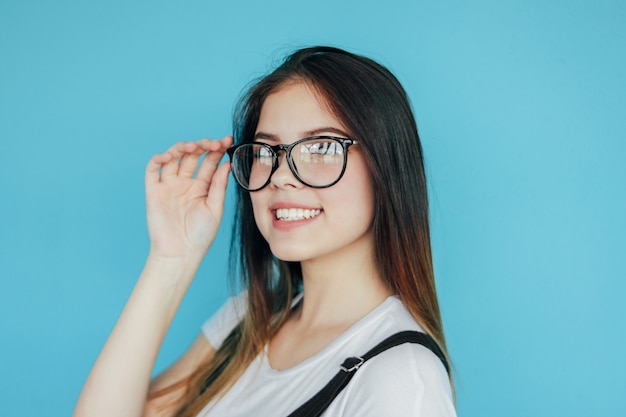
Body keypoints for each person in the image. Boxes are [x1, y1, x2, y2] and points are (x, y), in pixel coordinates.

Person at [73, 46, 456, 417]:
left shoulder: (401, 377)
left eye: (320, 147)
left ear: (385, 165)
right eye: (264, 151)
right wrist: (170, 259)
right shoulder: (249, 320)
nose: (282, 176)